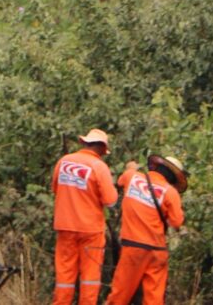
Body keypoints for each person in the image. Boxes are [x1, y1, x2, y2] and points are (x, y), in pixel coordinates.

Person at [106, 155, 188, 305]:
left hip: (133, 247)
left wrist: (130, 167)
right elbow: (177, 222)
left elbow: (120, 181)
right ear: (173, 178)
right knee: (154, 298)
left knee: (120, 295)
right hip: (157, 250)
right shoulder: (171, 192)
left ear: (155, 167)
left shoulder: (132, 177)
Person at [50, 128, 118, 305]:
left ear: (85, 143)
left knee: (64, 278)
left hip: (65, 226)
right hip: (91, 231)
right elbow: (110, 201)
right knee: (90, 279)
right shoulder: (99, 167)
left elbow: (55, 189)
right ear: (102, 149)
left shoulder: (64, 161)